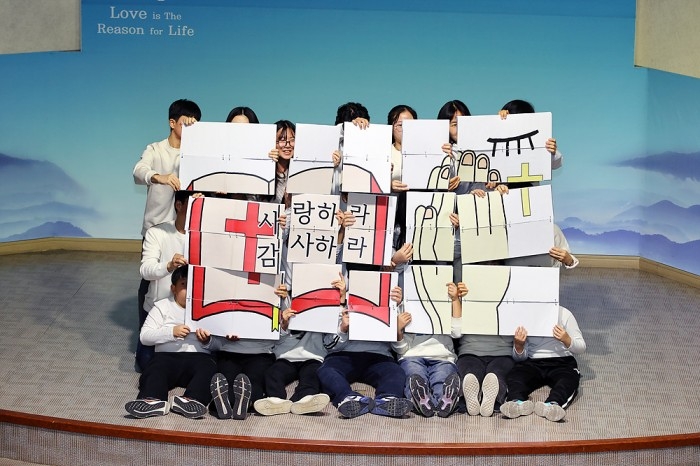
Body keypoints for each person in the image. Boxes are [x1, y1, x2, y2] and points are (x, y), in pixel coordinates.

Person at [132, 99, 200, 371]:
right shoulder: (156, 149)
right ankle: (147, 331)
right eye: (186, 123)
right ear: (172, 123)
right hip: (157, 230)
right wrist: (158, 176)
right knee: (151, 284)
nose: (191, 129)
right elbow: (138, 170)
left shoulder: (198, 152)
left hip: (187, 230)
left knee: (188, 282)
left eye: (195, 125)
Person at [125, 265, 217, 419]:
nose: (190, 290)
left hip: (199, 357)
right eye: (184, 285)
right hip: (167, 356)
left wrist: (208, 340)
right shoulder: (162, 307)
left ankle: (192, 400)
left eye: (194, 285)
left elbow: (220, 343)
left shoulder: (210, 309)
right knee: (155, 370)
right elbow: (145, 336)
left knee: (209, 370)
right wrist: (171, 332)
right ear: (173, 288)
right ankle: (152, 400)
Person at [317, 275, 412, 419]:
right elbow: (329, 345)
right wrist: (343, 328)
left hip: (379, 356)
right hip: (344, 355)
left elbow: (401, 350)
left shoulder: (393, 304)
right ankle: (348, 398)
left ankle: (387, 399)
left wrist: (397, 329)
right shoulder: (342, 304)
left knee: (396, 371)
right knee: (326, 371)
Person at [195, 283, 288, 420]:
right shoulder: (226, 290)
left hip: (261, 353)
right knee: (225, 381)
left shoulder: (276, 291)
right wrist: (207, 340)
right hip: (229, 350)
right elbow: (215, 338)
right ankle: (236, 403)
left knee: (253, 381)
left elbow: (280, 335)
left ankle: (231, 403)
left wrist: (284, 303)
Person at [136, 190, 197, 371]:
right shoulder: (157, 232)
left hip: (193, 311)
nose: (198, 209)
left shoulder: (208, 236)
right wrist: (168, 266)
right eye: (193, 203)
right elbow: (145, 271)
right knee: (145, 364)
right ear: (179, 205)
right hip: (160, 310)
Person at [393, 281, 466, 418]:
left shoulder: (446, 300)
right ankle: (421, 400)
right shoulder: (403, 304)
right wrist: (397, 329)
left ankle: (445, 400)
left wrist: (455, 299)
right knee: (415, 376)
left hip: (442, 356)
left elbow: (457, 332)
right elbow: (400, 349)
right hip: (411, 356)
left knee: (442, 379)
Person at [500, 306, 586, 422]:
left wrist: (566, 339)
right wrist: (519, 345)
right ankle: (516, 401)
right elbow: (520, 358)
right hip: (532, 361)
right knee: (515, 375)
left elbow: (581, 347)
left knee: (568, 380)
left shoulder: (564, 314)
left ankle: (553, 404)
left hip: (562, 361)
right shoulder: (523, 315)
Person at [498, 99, 561, 189]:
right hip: (501, 193)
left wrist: (552, 152)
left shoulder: (536, 141)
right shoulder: (497, 142)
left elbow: (556, 164)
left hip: (530, 193)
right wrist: (498, 122)